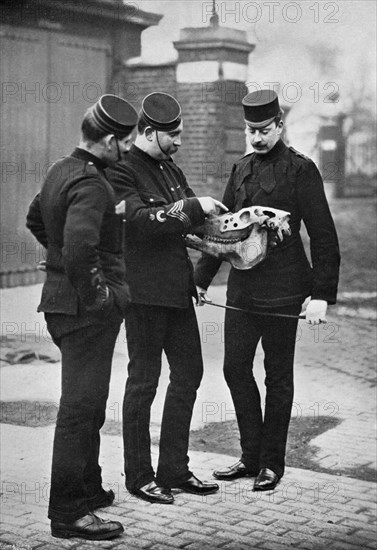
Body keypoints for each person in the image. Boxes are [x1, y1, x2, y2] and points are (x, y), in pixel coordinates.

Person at [194, 90, 340, 492]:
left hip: (285, 290)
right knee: (234, 369)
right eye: (250, 131)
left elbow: (324, 235)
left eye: (263, 130)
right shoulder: (240, 170)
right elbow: (222, 233)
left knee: (277, 376)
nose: (256, 138)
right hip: (242, 290)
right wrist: (200, 280)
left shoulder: (301, 170)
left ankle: (271, 463)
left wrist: (322, 294)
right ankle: (250, 454)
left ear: (279, 125)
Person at [26, 95, 138, 540]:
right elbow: (79, 249)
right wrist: (102, 298)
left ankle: (88, 488)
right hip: (84, 312)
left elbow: (36, 217)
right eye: (125, 142)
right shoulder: (93, 185)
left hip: (62, 306)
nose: (127, 150)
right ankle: (69, 512)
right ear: (109, 140)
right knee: (78, 410)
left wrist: (57, 261)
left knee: (89, 404)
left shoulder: (60, 170)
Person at [107, 92, 225, 504]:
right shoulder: (123, 171)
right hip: (142, 296)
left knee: (189, 374)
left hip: (177, 291)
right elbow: (140, 222)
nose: (179, 142)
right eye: (172, 135)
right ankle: (138, 476)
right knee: (143, 383)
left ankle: (173, 468)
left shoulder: (169, 167)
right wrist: (193, 204)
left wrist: (241, 235)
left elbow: (194, 225)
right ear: (150, 132)